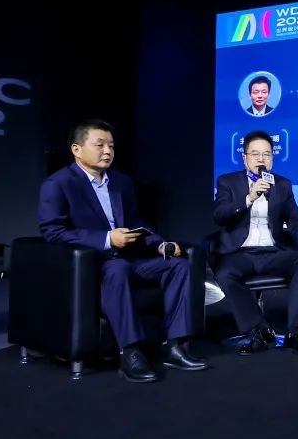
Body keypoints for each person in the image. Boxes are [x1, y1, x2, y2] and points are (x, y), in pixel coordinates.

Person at [38, 118, 207, 383]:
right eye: (100, 145)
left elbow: (136, 221)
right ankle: (130, 352)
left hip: (130, 257)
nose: (108, 151)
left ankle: (176, 347)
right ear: (76, 149)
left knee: (178, 265)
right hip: (93, 263)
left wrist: (159, 244)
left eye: (111, 146)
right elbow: (53, 231)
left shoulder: (121, 182)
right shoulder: (58, 183)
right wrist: (106, 239)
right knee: (117, 269)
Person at [211, 130, 298, 357]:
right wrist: (249, 198)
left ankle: (296, 332)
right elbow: (219, 215)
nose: (261, 159)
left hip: (274, 251)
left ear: (272, 158)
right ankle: (257, 329)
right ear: (245, 158)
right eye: (255, 154)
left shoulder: (282, 184)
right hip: (240, 252)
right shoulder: (227, 182)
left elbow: (294, 220)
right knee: (224, 273)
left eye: (266, 154)